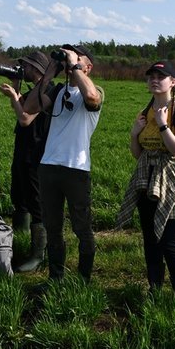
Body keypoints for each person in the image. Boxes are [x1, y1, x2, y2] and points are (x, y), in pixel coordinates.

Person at [117, 60, 175, 319]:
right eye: (151, 75)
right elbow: (137, 153)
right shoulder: (144, 111)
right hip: (146, 179)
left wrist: (163, 125)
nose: (154, 79)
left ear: (173, 82)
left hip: (172, 182)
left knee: (169, 242)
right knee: (151, 240)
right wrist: (134, 134)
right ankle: (154, 292)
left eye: (160, 76)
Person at [22, 44, 103, 282]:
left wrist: (74, 64)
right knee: (53, 227)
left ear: (88, 67)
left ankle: (83, 280)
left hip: (76, 168)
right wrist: (48, 74)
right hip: (48, 166)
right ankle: (55, 278)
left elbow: (91, 98)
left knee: (81, 227)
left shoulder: (95, 89)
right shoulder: (57, 91)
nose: (69, 62)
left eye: (77, 58)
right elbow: (29, 108)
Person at [0, 51, 53, 273]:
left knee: (35, 202)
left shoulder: (47, 91)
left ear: (37, 68)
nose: (23, 69)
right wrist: (16, 86)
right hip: (23, 149)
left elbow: (25, 118)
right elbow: (22, 107)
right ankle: (19, 241)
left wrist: (13, 96)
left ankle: (38, 254)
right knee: (19, 195)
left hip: (36, 153)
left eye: (26, 66)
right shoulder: (34, 91)